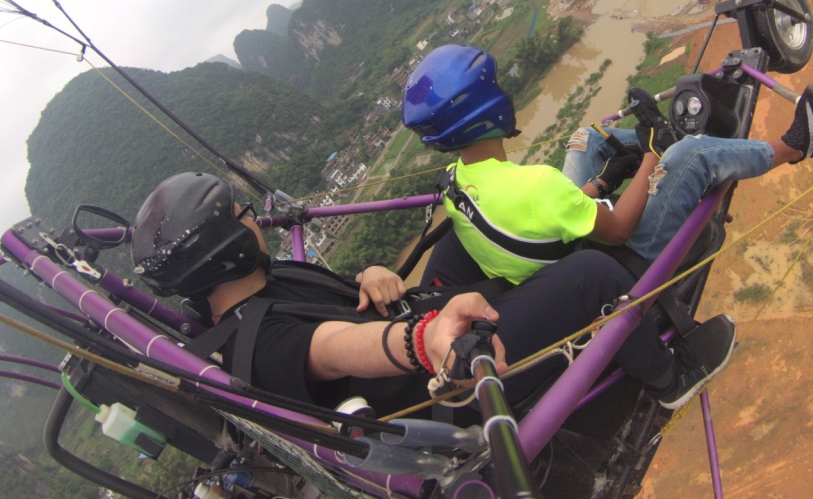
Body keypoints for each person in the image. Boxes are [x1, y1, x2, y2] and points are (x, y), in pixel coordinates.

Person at [130, 171, 735, 418]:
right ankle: (669, 379)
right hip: (446, 384)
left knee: (459, 240)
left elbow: (339, 310)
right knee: (594, 276)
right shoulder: (263, 346)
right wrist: (426, 336)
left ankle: (555, 255)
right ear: (224, 247)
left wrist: (369, 272)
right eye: (242, 216)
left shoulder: (261, 281)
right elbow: (339, 346)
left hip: (412, 322)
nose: (254, 220)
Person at [400, 44, 813, 288]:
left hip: (557, 260)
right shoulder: (535, 185)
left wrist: (607, 179)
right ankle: (796, 146)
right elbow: (620, 229)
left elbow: (542, 214)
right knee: (690, 155)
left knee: (587, 138)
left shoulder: (456, 184)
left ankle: (666, 139)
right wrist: (650, 156)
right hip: (616, 266)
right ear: (489, 109)